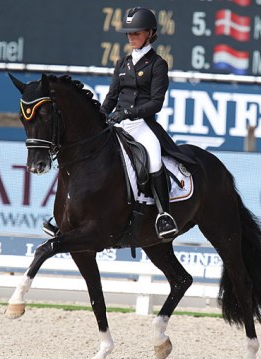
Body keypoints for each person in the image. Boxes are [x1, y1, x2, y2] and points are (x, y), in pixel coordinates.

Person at [101, 7, 194, 239]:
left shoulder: (157, 64)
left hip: (142, 125)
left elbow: (156, 103)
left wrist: (130, 112)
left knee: (153, 158)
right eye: (129, 33)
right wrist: (100, 115)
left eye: (137, 33)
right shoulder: (122, 63)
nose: (131, 37)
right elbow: (111, 98)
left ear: (150, 33)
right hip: (118, 124)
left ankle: (164, 215)